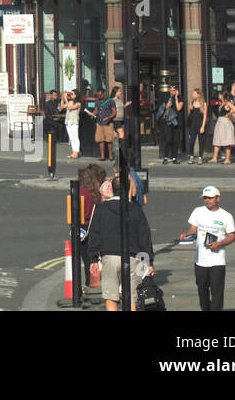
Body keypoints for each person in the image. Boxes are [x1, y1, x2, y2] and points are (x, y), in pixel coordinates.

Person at [85, 176, 154, 311]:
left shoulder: (102, 209)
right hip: (133, 258)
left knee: (111, 298)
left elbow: (94, 235)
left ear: (113, 189)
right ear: (128, 189)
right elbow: (144, 237)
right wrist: (148, 262)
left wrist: (93, 259)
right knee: (132, 299)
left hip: (109, 257)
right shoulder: (135, 209)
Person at [180, 186, 235, 311]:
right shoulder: (198, 211)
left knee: (217, 292)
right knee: (202, 290)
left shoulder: (226, 216)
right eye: (205, 198)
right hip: (200, 260)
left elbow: (232, 236)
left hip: (217, 261)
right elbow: (193, 229)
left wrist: (220, 244)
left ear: (217, 198)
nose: (207, 200)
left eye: (210, 198)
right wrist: (187, 234)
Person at [157, 85, 182, 164]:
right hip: (167, 122)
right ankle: (166, 157)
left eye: (173, 90)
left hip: (176, 122)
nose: (172, 92)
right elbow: (161, 108)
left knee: (175, 140)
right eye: (170, 90)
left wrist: (176, 98)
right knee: (168, 140)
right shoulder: (166, 97)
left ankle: (174, 158)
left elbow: (178, 108)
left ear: (177, 91)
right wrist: (166, 106)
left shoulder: (180, 98)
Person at [211, 93, 235, 164]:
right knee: (217, 139)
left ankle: (227, 159)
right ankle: (214, 158)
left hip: (225, 122)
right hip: (220, 122)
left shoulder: (227, 103)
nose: (218, 95)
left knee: (226, 141)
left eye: (220, 94)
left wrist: (228, 114)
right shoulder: (222, 103)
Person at [95, 88, 119, 161]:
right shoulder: (97, 101)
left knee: (109, 140)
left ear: (103, 94)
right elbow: (96, 110)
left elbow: (114, 112)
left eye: (100, 95)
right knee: (100, 140)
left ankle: (111, 156)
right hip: (99, 122)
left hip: (108, 123)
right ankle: (102, 157)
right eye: (98, 95)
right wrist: (93, 113)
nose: (99, 96)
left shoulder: (110, 101)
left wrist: (108, 118)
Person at [187, 90, 209, 164]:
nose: (192, 95)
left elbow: (205, 116)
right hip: (193, 124)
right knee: (191, 141)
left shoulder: (204, 104)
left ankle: (200, 157)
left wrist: (203, 127)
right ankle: (191, 156)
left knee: (201, 141)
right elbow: (189, 114)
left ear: (198, 94)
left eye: (194, 93)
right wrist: (190, 110)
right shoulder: (192, 102)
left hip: (200, 124)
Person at [63, 90, 82, 159]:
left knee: (75, 138)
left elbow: (70, 108)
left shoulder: (78, 103)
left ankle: (76, 152)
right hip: (68, 122)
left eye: (72, 94)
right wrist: (63, 98)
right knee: (71, 138)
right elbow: (62, 107)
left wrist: (66, 99)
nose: (70, 95)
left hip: (74, 122)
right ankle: (73, 152)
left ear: (76, 95)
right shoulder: (70, 102)